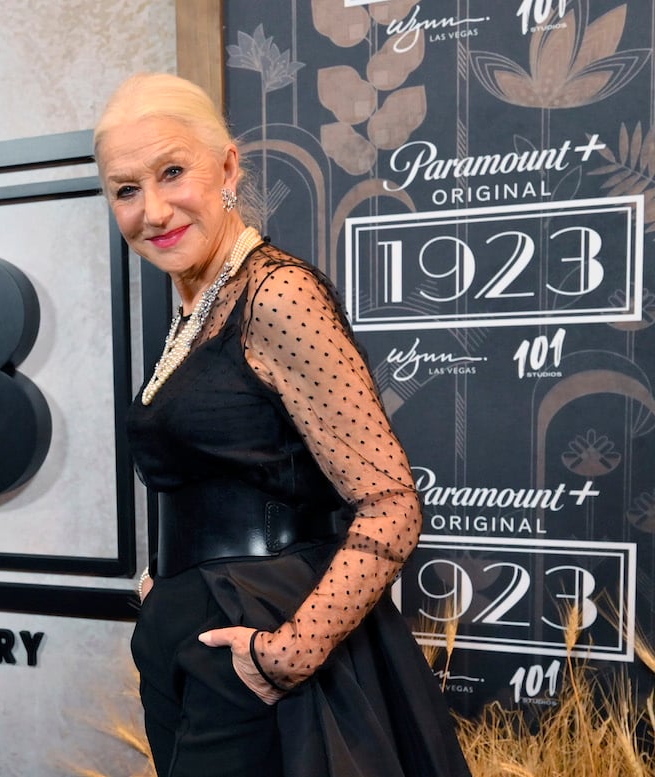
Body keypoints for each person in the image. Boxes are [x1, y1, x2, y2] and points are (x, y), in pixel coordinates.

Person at [94, 72, 472, 777]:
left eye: (172, 171)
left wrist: (284, 655)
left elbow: (391, 503)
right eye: (125, 188)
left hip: (260, 643)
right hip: (188, 642)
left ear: (228, 166)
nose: (153, 210)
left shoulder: (278, 294)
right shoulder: (198, 302)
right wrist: (164, 582)